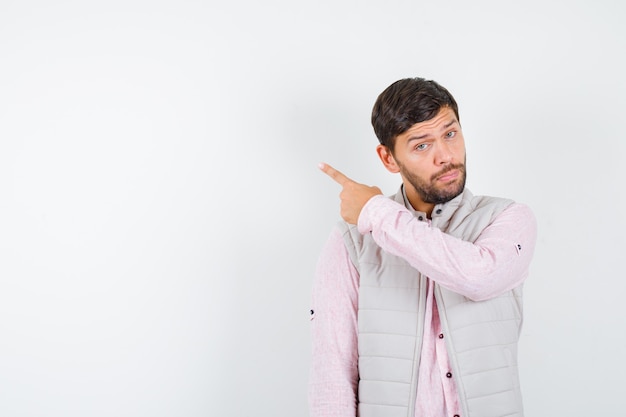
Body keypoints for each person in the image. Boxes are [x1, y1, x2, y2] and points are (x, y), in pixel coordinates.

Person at [309, 77, 537, 417]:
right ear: (388, 158)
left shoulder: (507, 219)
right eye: (421, 146)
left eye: (450, 134)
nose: (445, 156)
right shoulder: (352, 240)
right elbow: (332, 371)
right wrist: (374, 217)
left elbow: (478, 275)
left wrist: (375, 212)